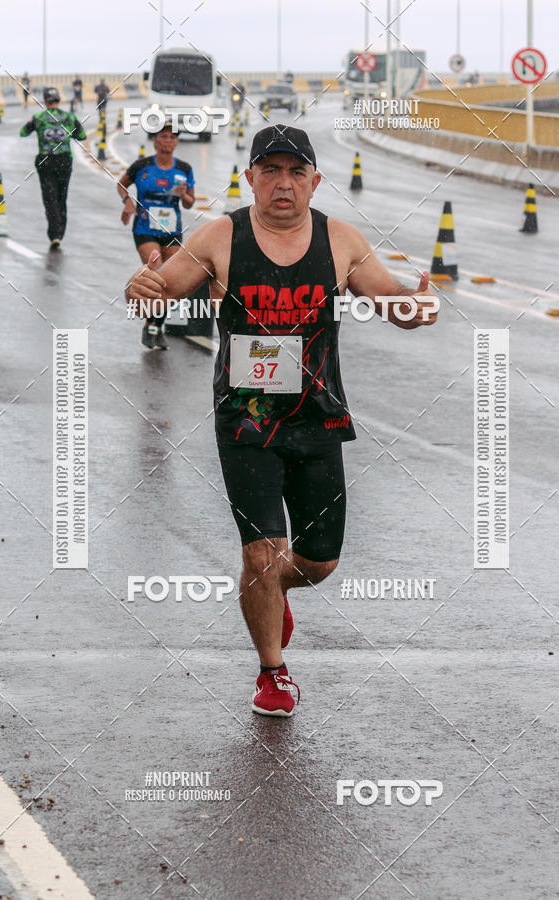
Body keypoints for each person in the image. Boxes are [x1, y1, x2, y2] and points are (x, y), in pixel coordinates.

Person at [126, 124, 438, 715]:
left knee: (318, 561)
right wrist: (140, 287)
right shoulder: (221, 236)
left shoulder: (340, 239)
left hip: (318, 418)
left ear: (315, 182)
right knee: (260, 554)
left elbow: (391, 301)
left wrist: (414, 308)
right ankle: (273, 672)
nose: (283, 183)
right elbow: (159, 293)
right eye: (270, 170)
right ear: (251, 179)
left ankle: (271, 591)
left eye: (296, 172)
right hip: (245, 421)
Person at [118, 121, 195, 350]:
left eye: (172, 137)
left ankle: (154, 325)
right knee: (158, 271)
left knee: (170, 281)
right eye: (164, 136)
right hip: (145, 228)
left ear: (176, 142)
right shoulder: (142, 166)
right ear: (155, 140)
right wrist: (127, 202)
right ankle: (152, 326)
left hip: (171, 230)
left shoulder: (184, 169)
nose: (168, 141)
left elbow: (190, 203)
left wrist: (183, 195)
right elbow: (122, 185)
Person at [19, 87, 86, 249]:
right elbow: (82, 136)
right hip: (64, 161)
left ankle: (54, 233)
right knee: (62, 197)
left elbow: (23, 132)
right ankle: (60, 232)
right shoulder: (69, 117)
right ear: (58, 100)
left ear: (45, 101)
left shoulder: (38, 117)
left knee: (50, 198)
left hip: (46, 161)